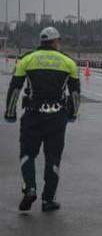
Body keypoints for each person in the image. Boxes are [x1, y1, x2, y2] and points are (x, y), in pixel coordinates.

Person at [3, 27, 80, 212]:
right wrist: (73, 114)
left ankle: (29, 188)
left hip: (32, 115)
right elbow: (75, 94)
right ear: (56, 41)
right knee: (53, 158)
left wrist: (10, 112)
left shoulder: (27, 59)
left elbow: (15, 88)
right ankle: (48, 200)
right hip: (56, 117)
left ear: (41, 41)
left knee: (27, 155)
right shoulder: (68, 62)